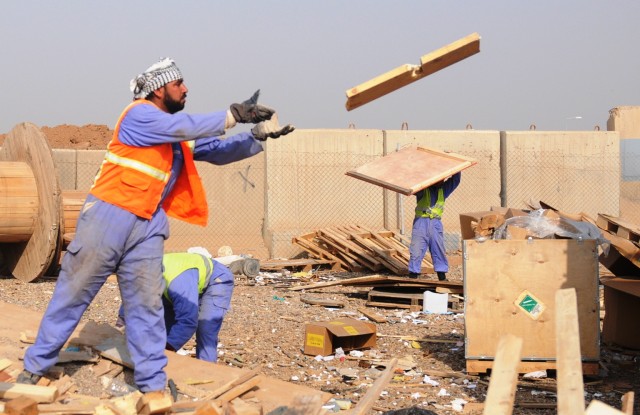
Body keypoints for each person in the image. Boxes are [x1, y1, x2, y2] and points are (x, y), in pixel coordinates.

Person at [18, 57, 294, 392]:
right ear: (159, 89)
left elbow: (216, 149)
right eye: (179, 84)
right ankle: (35, 368)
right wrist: (231, 115)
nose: (186, 89)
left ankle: (153, 388)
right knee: (73, 295)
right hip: (109, 216)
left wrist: (256, 136)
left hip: (147, 225)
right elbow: (185, 127)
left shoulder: (177, 132)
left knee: (146, 307)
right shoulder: (139, 114)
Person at [117, 247, 233, 363]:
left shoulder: (177, 284)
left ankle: (207, 372)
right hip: (183, 281)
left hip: (216, 280)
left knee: (205, 329)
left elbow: (188, 321)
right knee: (164, 326)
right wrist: (121, 325)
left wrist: (167, 349)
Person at [407, 172, 461, 281]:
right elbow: (411, 185)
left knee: (438, 249)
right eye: (439, 179)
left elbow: (455, 180)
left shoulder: (443, 190)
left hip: (436, 223)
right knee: (416, 249)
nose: (442, 181)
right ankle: (413, 276)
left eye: (443, 179)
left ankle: (442, 277)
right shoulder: (423, 189)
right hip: (421, 222)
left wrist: (457, 168)